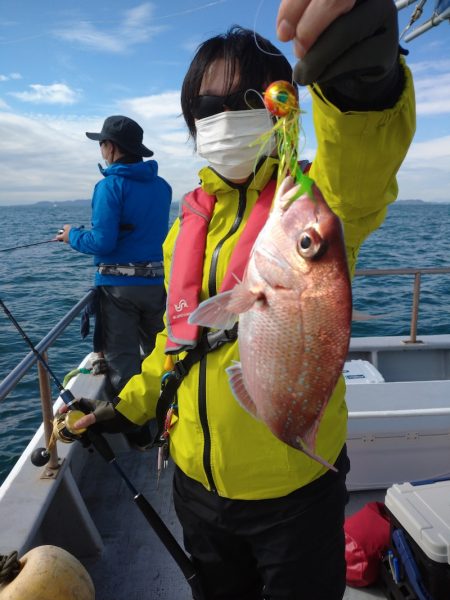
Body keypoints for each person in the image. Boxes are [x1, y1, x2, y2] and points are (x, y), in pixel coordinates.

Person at [72, 1, 415, 598]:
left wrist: (365, 90)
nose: (227, 115)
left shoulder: (313, 204)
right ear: (191, 121)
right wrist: (127, 407)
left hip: (294, 493)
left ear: (283, 110)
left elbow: (361, 173)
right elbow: (176, 341)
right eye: (209, 106)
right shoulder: (188, 224)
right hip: (194, 485)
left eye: (250, 100)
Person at [57, 115, 172, 394]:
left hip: (119, 291)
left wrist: (71, 235)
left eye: (102, 145)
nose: (101, 151)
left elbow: (102, 243)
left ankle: (134, 428)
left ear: (111, 147)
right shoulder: (163, 187)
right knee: (161, 356)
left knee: (123, 363)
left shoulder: (109, 187)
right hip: (157, 285)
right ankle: (168, 417)